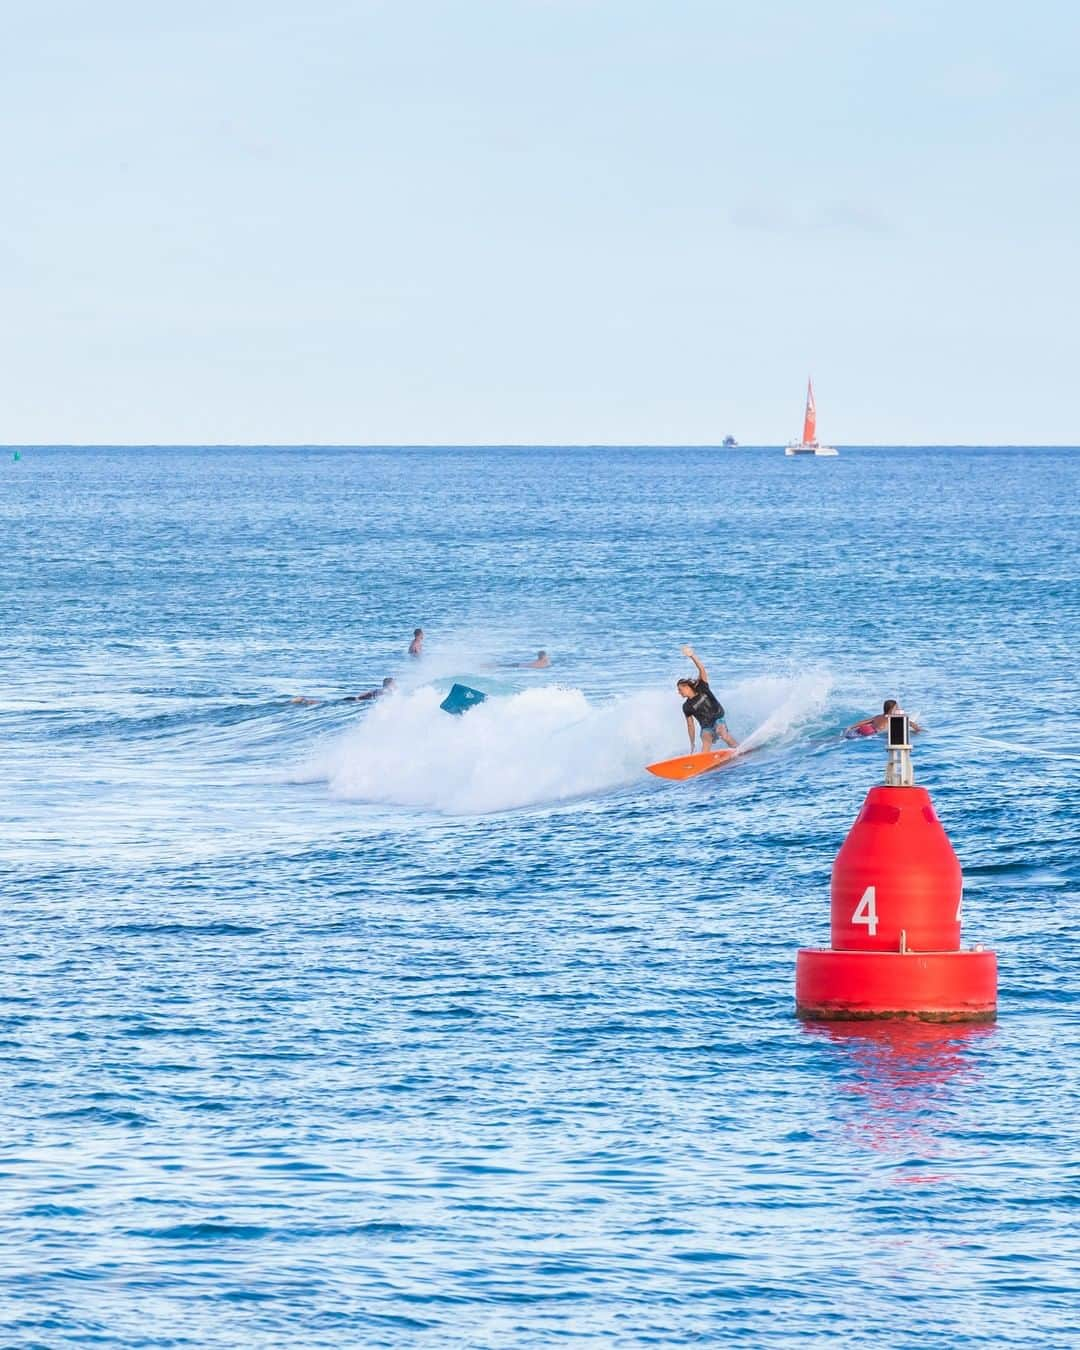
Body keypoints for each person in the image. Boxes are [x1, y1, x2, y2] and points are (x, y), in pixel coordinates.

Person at [677, 645, 738, 751]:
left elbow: (701, 669)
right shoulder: (686, 706)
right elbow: (690, 726)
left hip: (718, 717)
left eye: (680, 689)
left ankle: (738, 749)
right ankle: (704, 762)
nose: (679, 692)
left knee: (722, 732)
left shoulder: (702, 686)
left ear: (687, 687)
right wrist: (692, 743)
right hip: (706, 726)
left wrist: (692, 656)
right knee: (705, 739)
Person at [844, 699, 924, 739]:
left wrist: (851, 727)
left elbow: (864, 722)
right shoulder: (894, 717)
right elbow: (910, 723)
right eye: (897, 707)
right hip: (875, 733)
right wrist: (918, 730)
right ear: (892, 709)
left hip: (863, 730)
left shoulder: (878, 716)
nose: (898, 708)